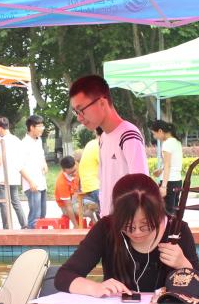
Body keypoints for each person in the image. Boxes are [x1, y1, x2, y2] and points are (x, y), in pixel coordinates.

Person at [55, 174, 199, 297]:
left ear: (158, 213)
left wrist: (183, 264)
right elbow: (63, 276)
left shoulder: (177, 231)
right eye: (128, 225)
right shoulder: (106, 228)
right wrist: (95, 288)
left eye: (145, 225)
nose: (137, 232)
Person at [69, 75, 147, 216]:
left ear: (102, 103)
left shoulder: (128, 135)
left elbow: (142, 188)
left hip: (126, 223)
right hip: (109, 220)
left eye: (81, 110)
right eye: (76, 112)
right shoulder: (103, 139)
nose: (79, 118)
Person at [0, 116, 27, 230]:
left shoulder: (1, 141)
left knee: (4, 203)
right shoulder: (16, 140)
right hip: (14, 176)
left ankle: (7, 227)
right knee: (15, 201)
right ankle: (24, 225)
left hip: (2, 176)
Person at [149, 120, 183, 216]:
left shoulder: (167, 144)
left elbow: (168, 165)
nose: (155, 137)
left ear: (160, 131)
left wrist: (164, 186)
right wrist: (161, 170)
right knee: (173, 213)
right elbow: (172, 163)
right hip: (177, 181)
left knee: (165, 214)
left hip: (169, 183)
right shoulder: (176, 142)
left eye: (154, 134)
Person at [21, 115, 48, 229]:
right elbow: (20, 166)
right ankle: (32, 237)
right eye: (40, 126)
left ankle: (41, 237)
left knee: (42, 215)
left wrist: (45, 163)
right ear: (32, 127)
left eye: (43, 126)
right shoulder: (24, 143)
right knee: (35, 216)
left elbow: (41, 155)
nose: (42, 128)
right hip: (32, 184)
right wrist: (30, 182)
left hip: (41, 182)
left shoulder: (39, 140)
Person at [78, 130, 102, 223]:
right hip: (95, 185)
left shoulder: (91, 143)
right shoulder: (99, 145)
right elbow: (106, 165)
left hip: (88, 185)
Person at [54, 156, 81, 228]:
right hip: (66, 205)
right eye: (71, 173)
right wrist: (76, 226)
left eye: (75, 170)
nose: (75, 174)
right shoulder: (61, 183)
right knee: (84, 211)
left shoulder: (76, 165)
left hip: (76, 198)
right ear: (64, 170)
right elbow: (68, 206)